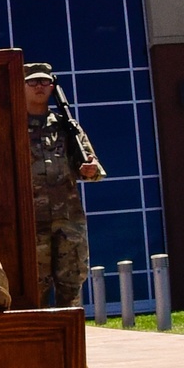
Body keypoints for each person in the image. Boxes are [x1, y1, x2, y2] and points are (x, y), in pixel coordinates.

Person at [24, 61, 105, 308]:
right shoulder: (12, 125)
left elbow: (94, 168)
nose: (39, 86)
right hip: (32, 223)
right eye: (32, 82)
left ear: (52, 86)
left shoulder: (67, 126)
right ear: (21, 86)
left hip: (68, 221)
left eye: (44, 82)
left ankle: (72, 344)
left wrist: (90, 169)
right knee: (33, 290)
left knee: (70, 289)